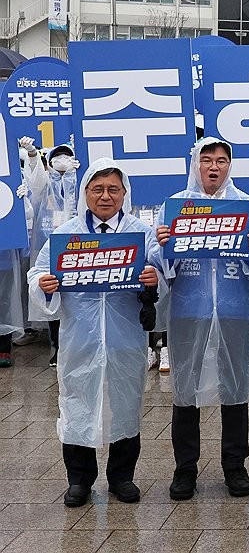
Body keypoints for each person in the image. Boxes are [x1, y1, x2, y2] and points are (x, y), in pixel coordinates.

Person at [28, 158, 161, 507]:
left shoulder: (139, 232)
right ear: (85, 192)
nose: (105, 196)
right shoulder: (66, 234)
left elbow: (162, 271)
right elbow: (38, 272)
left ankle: (122, 477)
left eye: (113, 189)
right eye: (97, 189)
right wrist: (44, 283)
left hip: (125, 336)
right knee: (77, 405)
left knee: (126, 404)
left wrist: (153, 279)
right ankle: (79, 480)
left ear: (124, 193)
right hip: (80, 337)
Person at [152, 138, 249, 501]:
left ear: (230, 165)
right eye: (207, 160)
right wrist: (163, 244)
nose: (214, 167)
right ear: (196, 164)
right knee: (184, 392)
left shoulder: (247, 206)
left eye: (221, 160)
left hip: (235, 310)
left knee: (235, 390)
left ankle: (235, 467)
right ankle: (184, 469)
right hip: (190, 310)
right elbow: (157, 261)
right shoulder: (176, 207)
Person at [18, 138, 80, 365]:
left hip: (77, 248)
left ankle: (76, 346)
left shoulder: (80, 183)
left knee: (75, 298)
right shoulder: (46, 183)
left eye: (67, 156)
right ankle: (56, 346)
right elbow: (35, 179)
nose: (62, 161)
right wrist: (34, 155)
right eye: (57, 157)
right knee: (53, 294)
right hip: (49, 248)